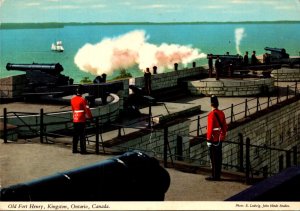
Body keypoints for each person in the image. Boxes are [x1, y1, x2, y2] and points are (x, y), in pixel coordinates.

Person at [206, 95, 227, 181]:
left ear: (211, 104)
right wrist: (223, 135)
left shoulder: (211, 114)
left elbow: (210, 128)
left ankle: (214, 176)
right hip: (219, 138)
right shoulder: (221, 113)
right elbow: (225, 126)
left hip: (213, 139)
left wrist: (208, 139)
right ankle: (218, 175)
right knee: (219, 157)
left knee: (213, 158)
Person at [71, 85, 93, 154]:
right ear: (82, 92)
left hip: (75, 119)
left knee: (75, 135)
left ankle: (74, 149)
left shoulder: (72, 99)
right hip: (81, 119)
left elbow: (73, 109)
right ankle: (83, 150)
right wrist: (91, 118)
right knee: (82, 135)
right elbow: (87, 110)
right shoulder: (83, 100)